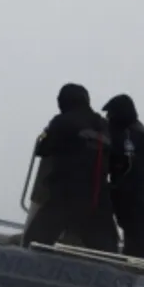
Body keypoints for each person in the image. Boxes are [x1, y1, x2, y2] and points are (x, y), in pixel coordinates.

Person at [21, 83, 119, 253]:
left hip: (65, 194)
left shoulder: (62, 121)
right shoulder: (104, 125)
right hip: (98, 197)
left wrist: (49, 132)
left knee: (33, 244)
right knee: (108, 252)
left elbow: (43, 149)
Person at [102, 93, 144, 260]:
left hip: (137, 197)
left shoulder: (129, 135)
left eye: (110, 114)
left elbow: (128, 167)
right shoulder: (139, 131)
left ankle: (138, 278)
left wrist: (110, 189)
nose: (107, 118)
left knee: (141, 243)